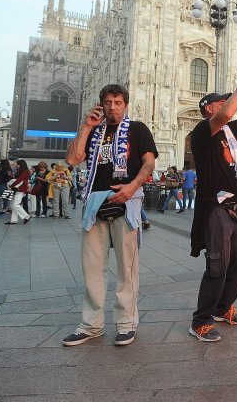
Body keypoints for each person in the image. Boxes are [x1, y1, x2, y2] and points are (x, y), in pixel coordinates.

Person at [62, 84, 158, 347]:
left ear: (125, 104)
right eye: (107, 102)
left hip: (126, 203)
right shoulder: (93, 133)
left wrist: (132, 186)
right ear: (101, 105)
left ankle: (126, 323)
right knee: (92, 267)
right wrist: (86, 128)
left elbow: (149, 162)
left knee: (127, 268)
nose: (112, 107)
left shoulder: (137, 130)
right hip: (94, 203)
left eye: (117, 102)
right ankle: (91, 325)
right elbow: (72, 159)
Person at [188, 66, 237, 342]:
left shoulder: (229, 132)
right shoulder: (202, 132)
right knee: (218, 264)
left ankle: (222, 308)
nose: (226, 103)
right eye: (220, 100)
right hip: (216, 206)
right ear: (209, 108)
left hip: (236, 206)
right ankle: (200, 320)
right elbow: (227, 113)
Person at [5, 160, 32, 225]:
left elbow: (19, 180)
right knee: (14, 205)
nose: (17, 165)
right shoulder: (21, 171)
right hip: (18, 189)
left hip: (21, 190)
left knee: (15, 205)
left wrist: (11, 186)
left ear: (20, 165)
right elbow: (14, 178)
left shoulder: (25, 172)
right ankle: (13, 220)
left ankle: (27, 216)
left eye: (17, 164)